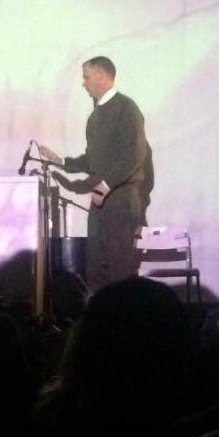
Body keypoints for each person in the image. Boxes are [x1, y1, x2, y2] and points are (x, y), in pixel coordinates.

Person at [38, 56, 151, 293]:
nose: (83, 83)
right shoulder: (94, 117)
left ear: (101, 75)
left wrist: (104, 187)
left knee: (120, 269)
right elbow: (93, 160)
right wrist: (62, 162)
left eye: (86, 77)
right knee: (96, 267)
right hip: (101, 203)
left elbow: (135, 155)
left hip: (121, 201)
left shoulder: (126, 108)